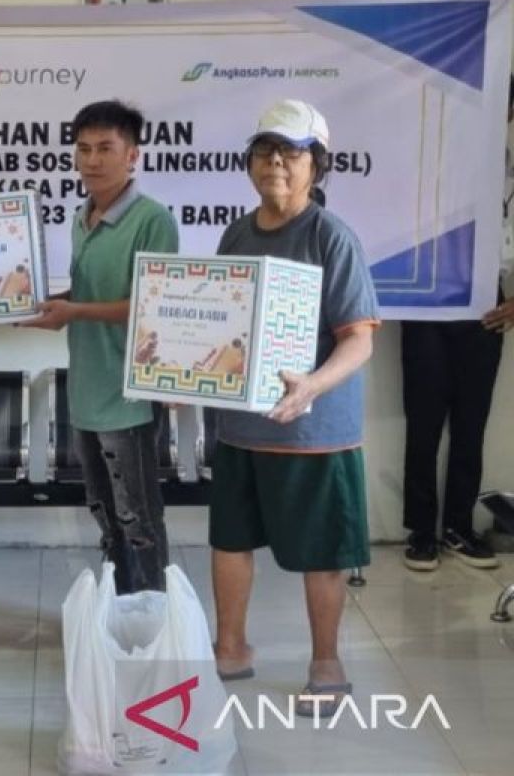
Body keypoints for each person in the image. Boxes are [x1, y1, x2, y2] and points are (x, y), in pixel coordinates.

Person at [208, 99, 379, 719]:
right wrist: (188, 375)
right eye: (265, 149)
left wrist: (310, 385)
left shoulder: (330, 237)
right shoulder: (237, 232)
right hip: (241, 426)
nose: (276, 161)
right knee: (229, 539)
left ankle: (326, 664)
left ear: (317, 165)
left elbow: (359, 337)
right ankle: (228, 647)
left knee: (323, 550)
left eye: (292, 151)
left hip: (315, 430)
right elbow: (220, 326)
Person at [20, 99, 178, 594]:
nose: (92, 160)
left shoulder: (153, 220)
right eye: (83, 148)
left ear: (133, 155)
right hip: (87, 392)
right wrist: (52, 308)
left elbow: (150, 307)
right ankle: (121, 611)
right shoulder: (80, 216)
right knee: (107, 520)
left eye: (106, 148)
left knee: (140, 523)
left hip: (128, 399)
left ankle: (155, 621)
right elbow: (89, 298)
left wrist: (75, 312)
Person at [399, 76, 514, 572]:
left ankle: (459, 527)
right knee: (423, 426)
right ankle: (422, 533)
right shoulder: (431, 150)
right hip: (429, 300)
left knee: (471, 426)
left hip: (487, 306)